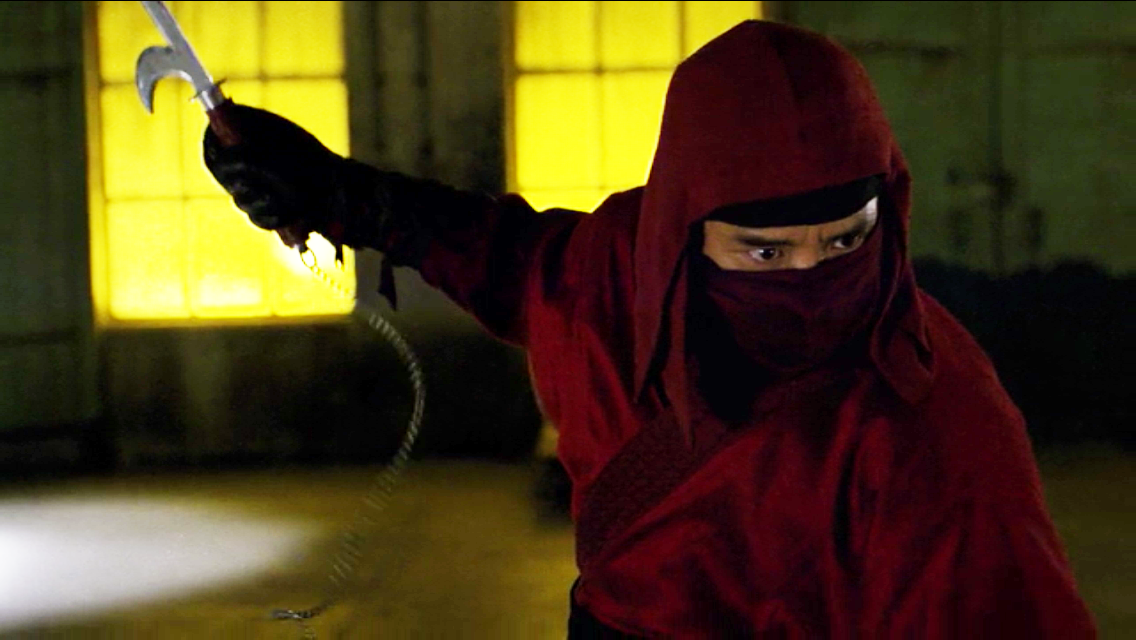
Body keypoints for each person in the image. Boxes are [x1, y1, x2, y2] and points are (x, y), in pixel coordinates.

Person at [205, 20, 1096, 638]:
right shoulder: (617, 278)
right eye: (764, 252)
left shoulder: (936, 423)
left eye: (844, 241)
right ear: (683, 231)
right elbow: (499, 255)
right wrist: (339, 194)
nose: (811, 282)